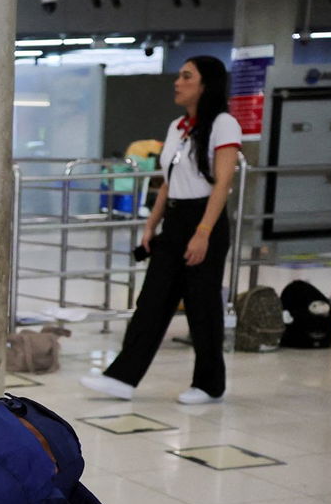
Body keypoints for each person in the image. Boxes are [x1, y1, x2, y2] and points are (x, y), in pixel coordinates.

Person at [81, 56, 239, 407]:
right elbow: (168, 183)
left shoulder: (224, 124)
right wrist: (151, 223)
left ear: (205, 84)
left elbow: (223, 183)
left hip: (205, 220)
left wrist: (203, 232)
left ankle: (210, 384)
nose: (177, 82)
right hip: (175, 219)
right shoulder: (177, 127)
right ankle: (121, 378)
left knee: (202, 305)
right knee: (151, 302)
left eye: (186, 76)